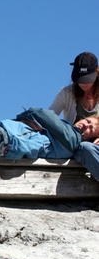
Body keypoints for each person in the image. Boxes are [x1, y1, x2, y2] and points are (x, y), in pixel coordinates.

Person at [50, 52, 99, 180]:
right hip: (77, 147)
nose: (84, 83)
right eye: (80, 78)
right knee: (86, 147)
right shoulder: (67, 93)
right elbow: (50, 117)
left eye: (88, 78)